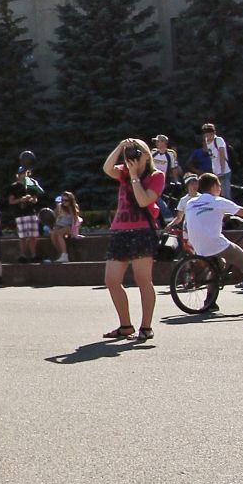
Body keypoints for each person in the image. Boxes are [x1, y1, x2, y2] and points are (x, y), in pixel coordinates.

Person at [178, 173, 243, 314]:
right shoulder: (218, 201)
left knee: (218, 265)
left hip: (196, 242)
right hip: (214, 242)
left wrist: (225, 215)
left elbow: (204, 215)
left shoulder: (191, 202)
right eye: (219, 185)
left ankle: (210, 301)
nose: (220, 188)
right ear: (213, 186)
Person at [101, 138, 166, 343]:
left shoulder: (157, 176)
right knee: (111, 280)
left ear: (147, 155)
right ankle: (125, 325)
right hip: (120, 231)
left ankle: (146, 326)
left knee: (142, 280)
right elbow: (107, 168)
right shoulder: (123, 172)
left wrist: (135, 176)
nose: (131, 157)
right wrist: (120, 146)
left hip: (142, 232)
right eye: (129, 154)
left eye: (136, 152)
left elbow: (144, 200)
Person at [7, 155, 45, 263]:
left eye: (25, 173)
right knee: (23, 236)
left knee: (33, 236)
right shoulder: (14, 186)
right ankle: (23, 255)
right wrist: (21, 199)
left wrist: (31, 199)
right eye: (22, 174)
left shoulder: (31, 185)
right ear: (18, 175)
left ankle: (34, 255)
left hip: (31, 213)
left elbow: (35, 199)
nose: (23, 176)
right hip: (20, 214)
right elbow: (11, 201)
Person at [50, 192, 83, 264]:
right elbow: (55, 217)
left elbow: (75, 220)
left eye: (66, 200)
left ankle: (64, 255)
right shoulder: (59, 206)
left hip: (69, 226)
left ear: (70, 200)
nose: (64, 202)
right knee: (53, 234)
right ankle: (61, 253)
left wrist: (75, 232)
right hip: (60, 225)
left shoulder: (74, 207)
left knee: (59, 234)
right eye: (62, 200)